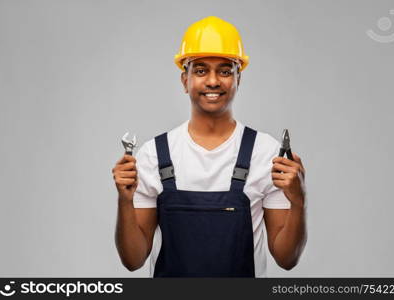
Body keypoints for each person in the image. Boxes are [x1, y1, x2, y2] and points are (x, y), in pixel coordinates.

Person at [112, 16, 307, 277]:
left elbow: (286, 258)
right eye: (201, 70)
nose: (213, 81)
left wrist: (298, 201)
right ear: (185, 80)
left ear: (239, 79)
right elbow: (133, 260)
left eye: (225, 71)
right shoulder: (154, 155)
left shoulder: (266, 153)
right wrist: (124, 201)